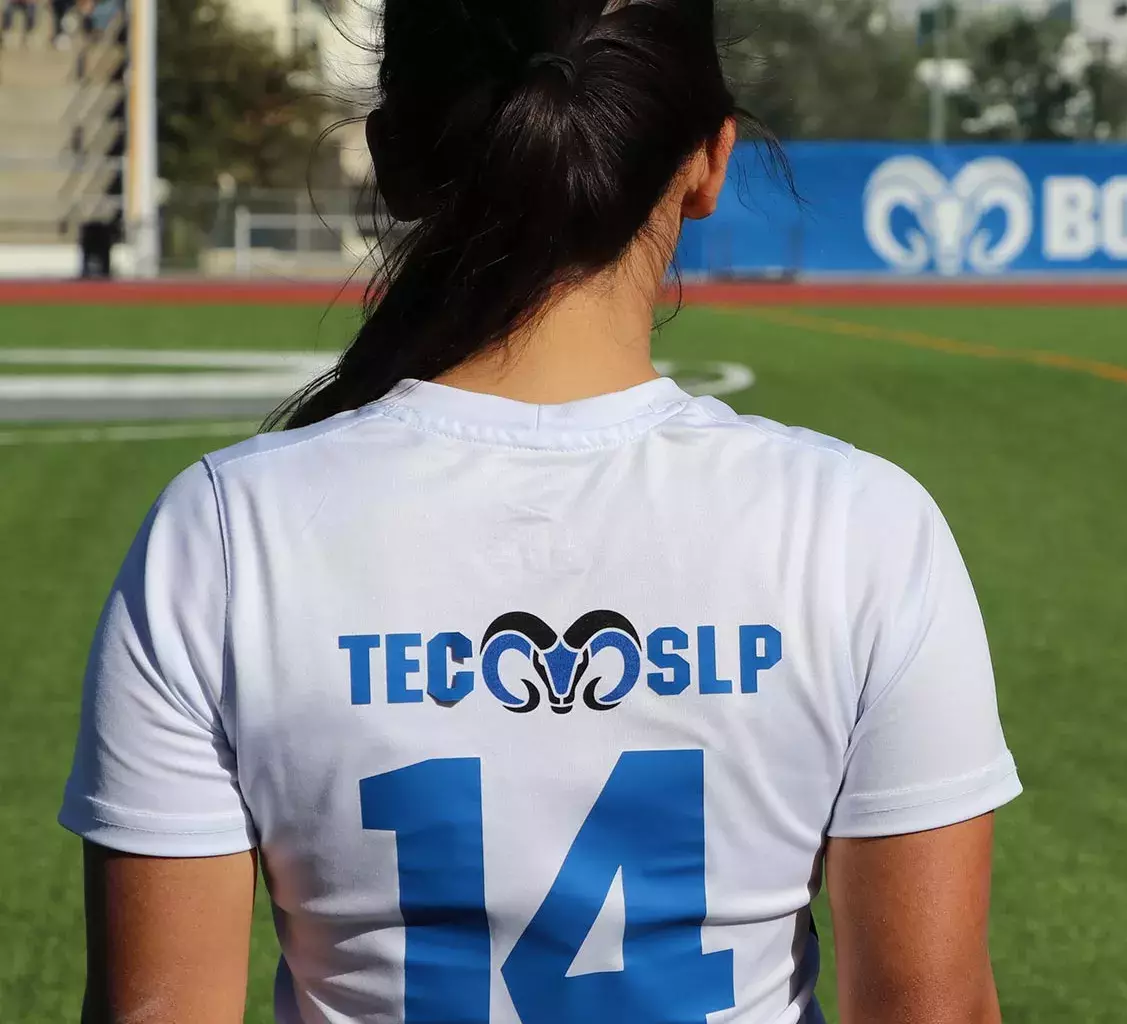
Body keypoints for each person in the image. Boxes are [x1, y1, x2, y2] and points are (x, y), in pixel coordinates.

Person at [59, 0, 1021, 1021]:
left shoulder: (219, 537)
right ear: (709, 162)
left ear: (392, 156)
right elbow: (933, 1008)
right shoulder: (862, 530)